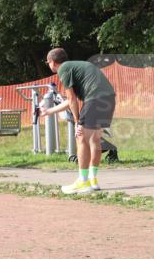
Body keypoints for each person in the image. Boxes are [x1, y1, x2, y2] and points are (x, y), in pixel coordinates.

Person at [38, 48, 117, 194]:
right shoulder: (76, 66)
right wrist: (48, 111)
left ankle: (82, 181)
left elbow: (72, 99)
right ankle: (93, 180)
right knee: (94, 140)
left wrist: (77, 122)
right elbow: (70, 101)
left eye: (47, 63)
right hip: (109, 98)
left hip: (95, 99)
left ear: (52, 62)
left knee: (81, 139)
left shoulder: (64, 69)